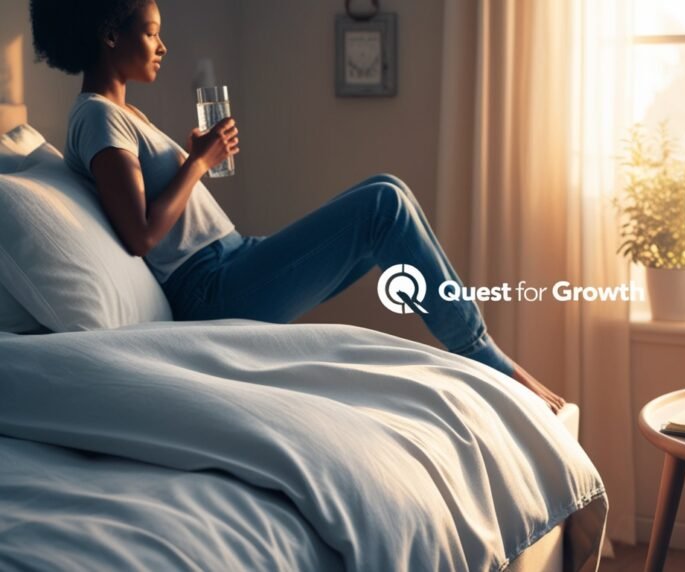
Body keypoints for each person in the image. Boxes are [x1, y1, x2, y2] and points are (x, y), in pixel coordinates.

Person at [29, 0, 564, 412]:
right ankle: (482, 355)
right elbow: (140, 234)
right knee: (383, 204)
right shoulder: (98, 117)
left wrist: (198, 160)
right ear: (108, 34)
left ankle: (477, 346)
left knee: (388, 190)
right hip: (211, 288)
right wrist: (198, 162)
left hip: (232, 259)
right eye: (151, 32)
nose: (162, 45)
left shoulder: (120, 114)